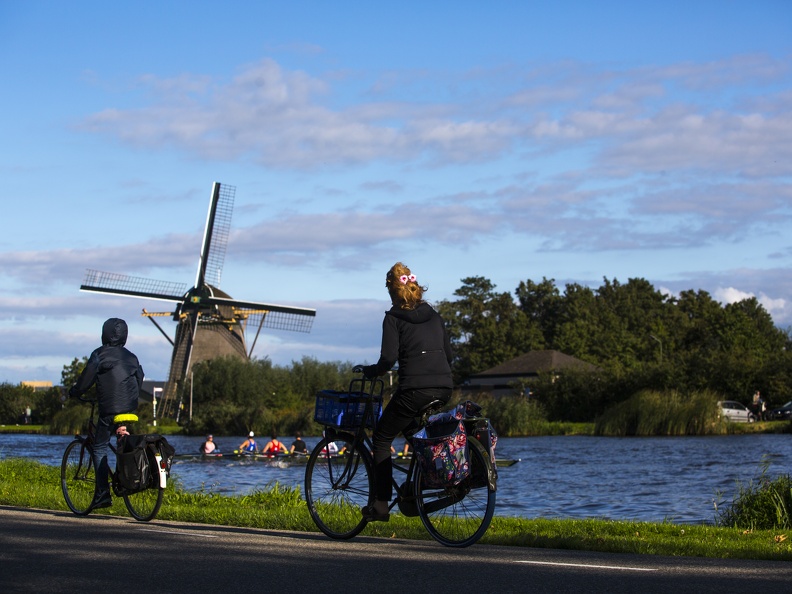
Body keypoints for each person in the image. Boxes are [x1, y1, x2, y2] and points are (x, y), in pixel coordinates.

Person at [359, 262, 453, 522]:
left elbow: (388, 359)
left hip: (414, 389)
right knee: (412, 429)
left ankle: (379, 505)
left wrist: (372, 371)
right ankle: (432, 476)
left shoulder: (392, 318)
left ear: (392, 291)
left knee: (381, 439)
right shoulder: (435, 315)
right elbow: (450, 355)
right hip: (444, 387)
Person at [68, 318, 144, 510]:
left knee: (99, 447)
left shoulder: (99, 354)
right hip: (130, 408)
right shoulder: (131, 357)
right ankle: (124, 478)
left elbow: (86, 379)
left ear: (105, 333)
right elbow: (140, 377)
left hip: (109, 409)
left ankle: (102, 493)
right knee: (121, 440)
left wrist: (76, 392)